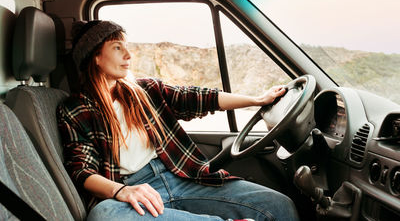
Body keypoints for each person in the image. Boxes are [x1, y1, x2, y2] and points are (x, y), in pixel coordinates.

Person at [57, 20, 299, 221]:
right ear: (95, 57)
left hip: (180, 174)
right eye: (117, 47)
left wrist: (257, 100)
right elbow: (83, 171)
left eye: (126, 47)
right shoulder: (75, 110)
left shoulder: (146, 90)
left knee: (279, 205)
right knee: (104, 215)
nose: (128, 55)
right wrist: (122, 191)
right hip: (133, 188)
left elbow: (198, 98)